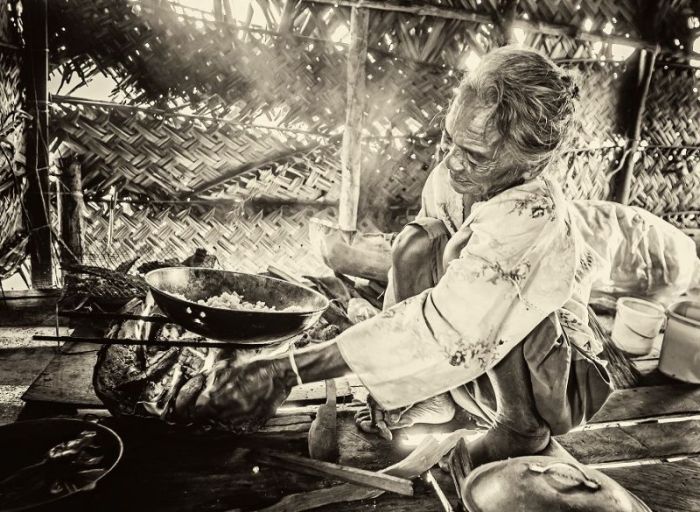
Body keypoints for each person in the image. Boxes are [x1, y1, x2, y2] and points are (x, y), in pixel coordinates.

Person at [173, 45, 615, 472]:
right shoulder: (451, 176)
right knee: (418, 241)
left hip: (548, 369)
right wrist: (396, 379)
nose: (452, 163)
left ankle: (519, 427)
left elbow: (451, 323)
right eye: (449, 140)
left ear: (531, 166)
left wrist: (286, 371)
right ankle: (438, 398)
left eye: (474, 155)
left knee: (503, 296)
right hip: (472, 347)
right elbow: (422, 273)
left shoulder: (531, 214)